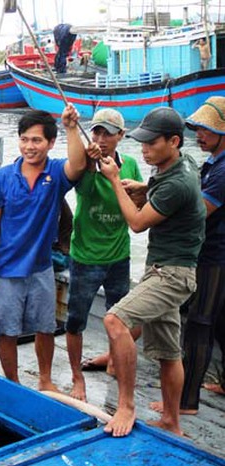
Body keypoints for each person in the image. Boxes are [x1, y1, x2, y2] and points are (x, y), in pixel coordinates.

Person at [98, 107, 205, 437]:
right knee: (169, 353)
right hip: (171, 268)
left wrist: (115, 179)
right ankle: (172, 421)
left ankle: (125, 406)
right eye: (141, 142)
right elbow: (167, 191)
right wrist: (145, 189)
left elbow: (137, 223)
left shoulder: (179, 182)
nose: (143, 149)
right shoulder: (181, 163)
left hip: (170, 275)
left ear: (173, 141)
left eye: (150, 143)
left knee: (115, 321)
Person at [0, 105, 88, 391]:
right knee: (6, 330)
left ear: (50, 143)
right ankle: (12, 382)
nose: (29, 146)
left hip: (41, 267)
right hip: (5, 268)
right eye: (24, 139)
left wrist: (71, 128)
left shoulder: (55, 173)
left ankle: (45, 379)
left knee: (45, 326)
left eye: (36, 140)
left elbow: (77, 165)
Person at [150, 96, 225, 414]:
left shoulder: (222, 172)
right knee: (221, 324)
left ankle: (187, 401)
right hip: (212, 251)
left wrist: (155, 205)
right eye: (197, 128)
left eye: (207, 129)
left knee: (199, 323)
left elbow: (197, 212)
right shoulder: (212, 164)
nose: (199, 134)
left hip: (215, 257)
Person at [65, 109, 143, 401]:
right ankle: (77, 378)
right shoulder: (86, 165)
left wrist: (118, 178)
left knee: (122, 320)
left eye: (108, 133)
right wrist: (89, 162)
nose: (100, 138)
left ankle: (112, 358)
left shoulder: (132, 165)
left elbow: (136, 205)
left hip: (119, 257)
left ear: (121, 136)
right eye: (96, 132)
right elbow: (82, 188)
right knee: (75, 321)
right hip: (85, 257)